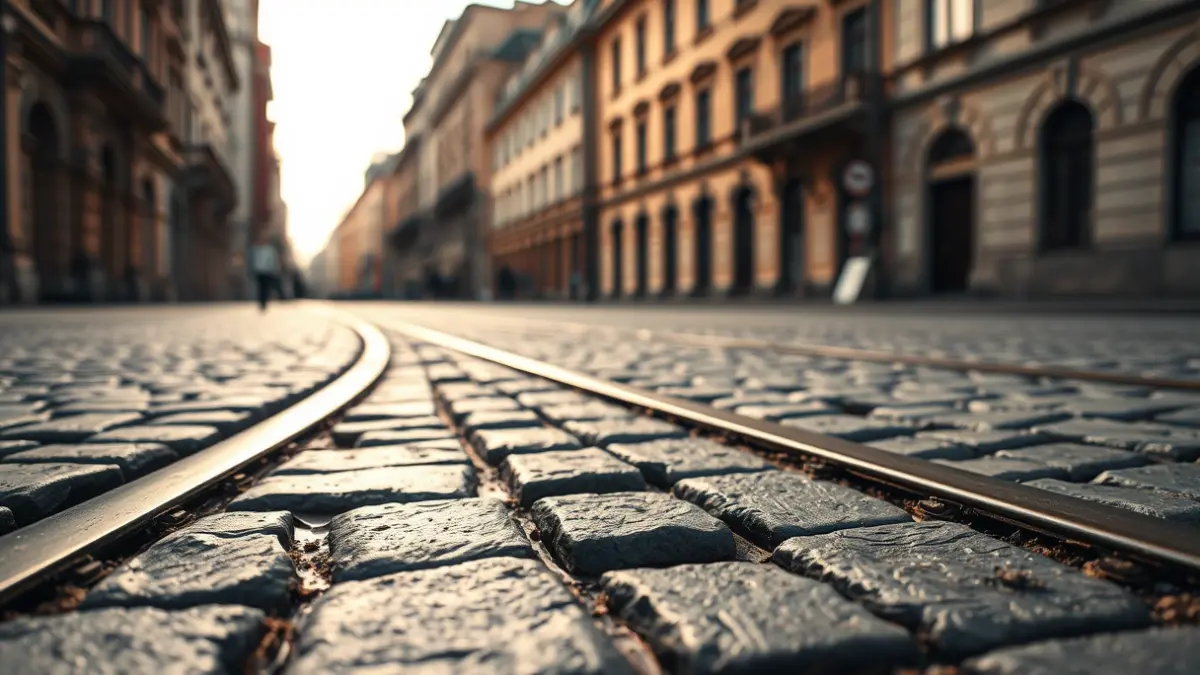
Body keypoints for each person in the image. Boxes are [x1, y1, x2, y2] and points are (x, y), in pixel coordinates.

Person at [249, 234, 281, 312]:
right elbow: (253, 260)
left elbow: (273, 261)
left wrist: (274, 270)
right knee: (260, 287)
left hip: (267, 271)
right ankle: (261, 302)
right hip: (259, 271)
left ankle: (264, 302)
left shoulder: (270, 250)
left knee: (266, 288)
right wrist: (253, 270)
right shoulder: (256, 249)